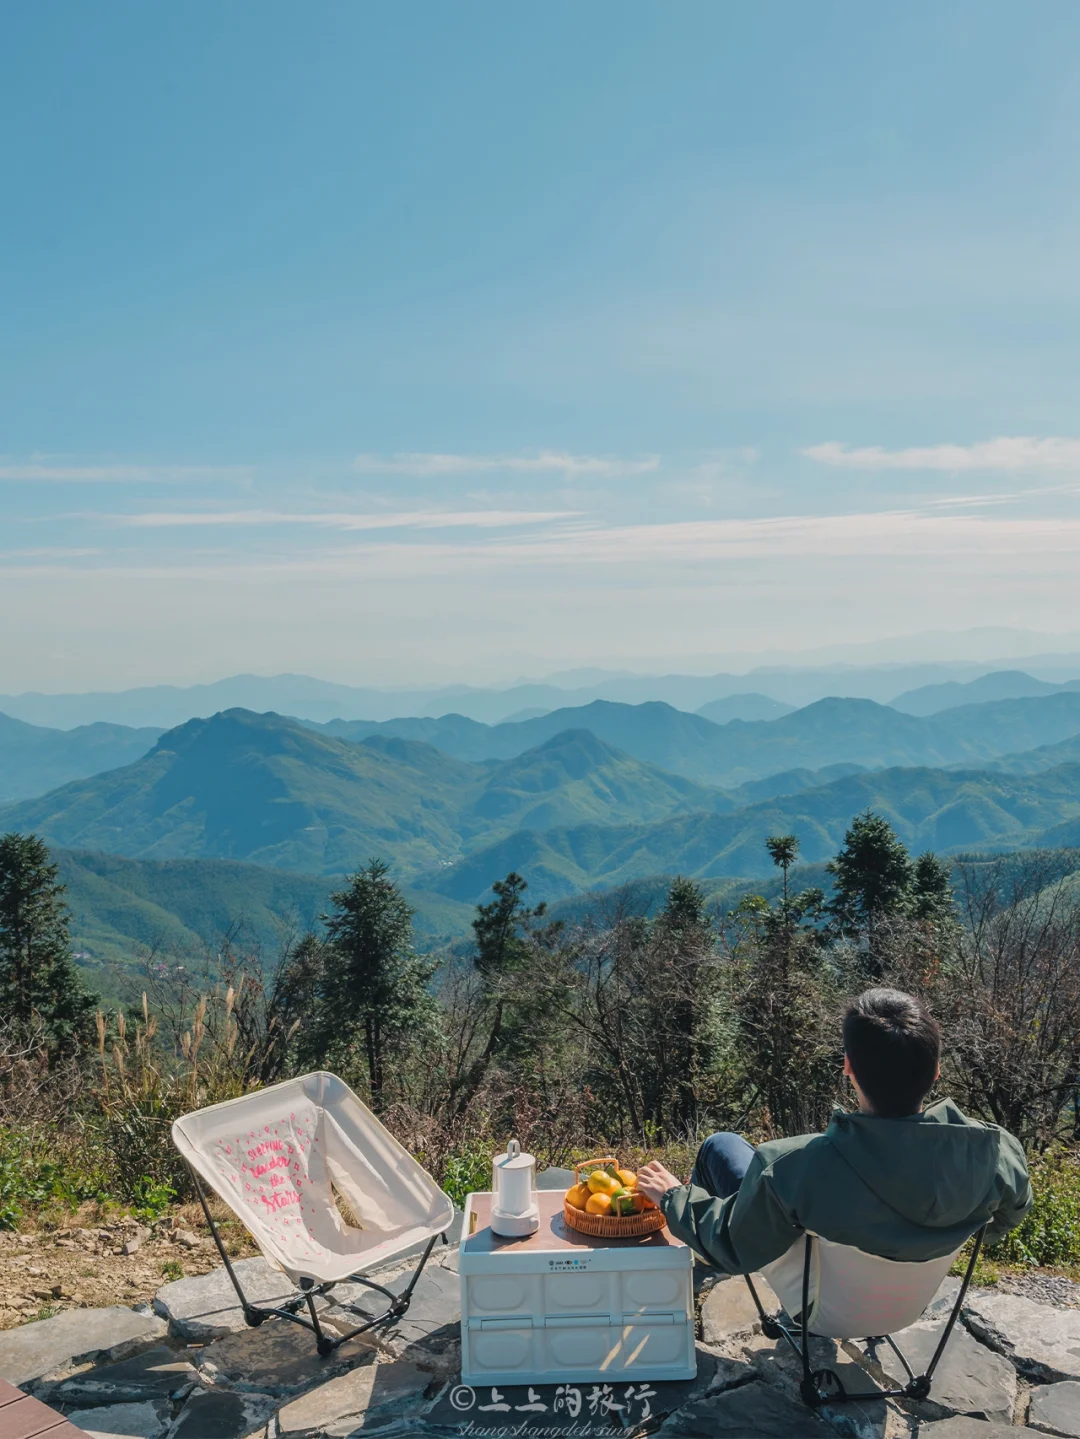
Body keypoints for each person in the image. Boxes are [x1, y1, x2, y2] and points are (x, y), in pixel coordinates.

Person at [636, 987, 1032, 1273]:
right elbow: (1004, 1219)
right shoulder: (996, 1151)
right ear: (936, 1071)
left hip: (819, 1302)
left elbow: (732, 1246)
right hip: (908, 1303)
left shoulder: (790, 1167)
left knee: (720, 1146)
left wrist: (674, 1197)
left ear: (848, 1068)